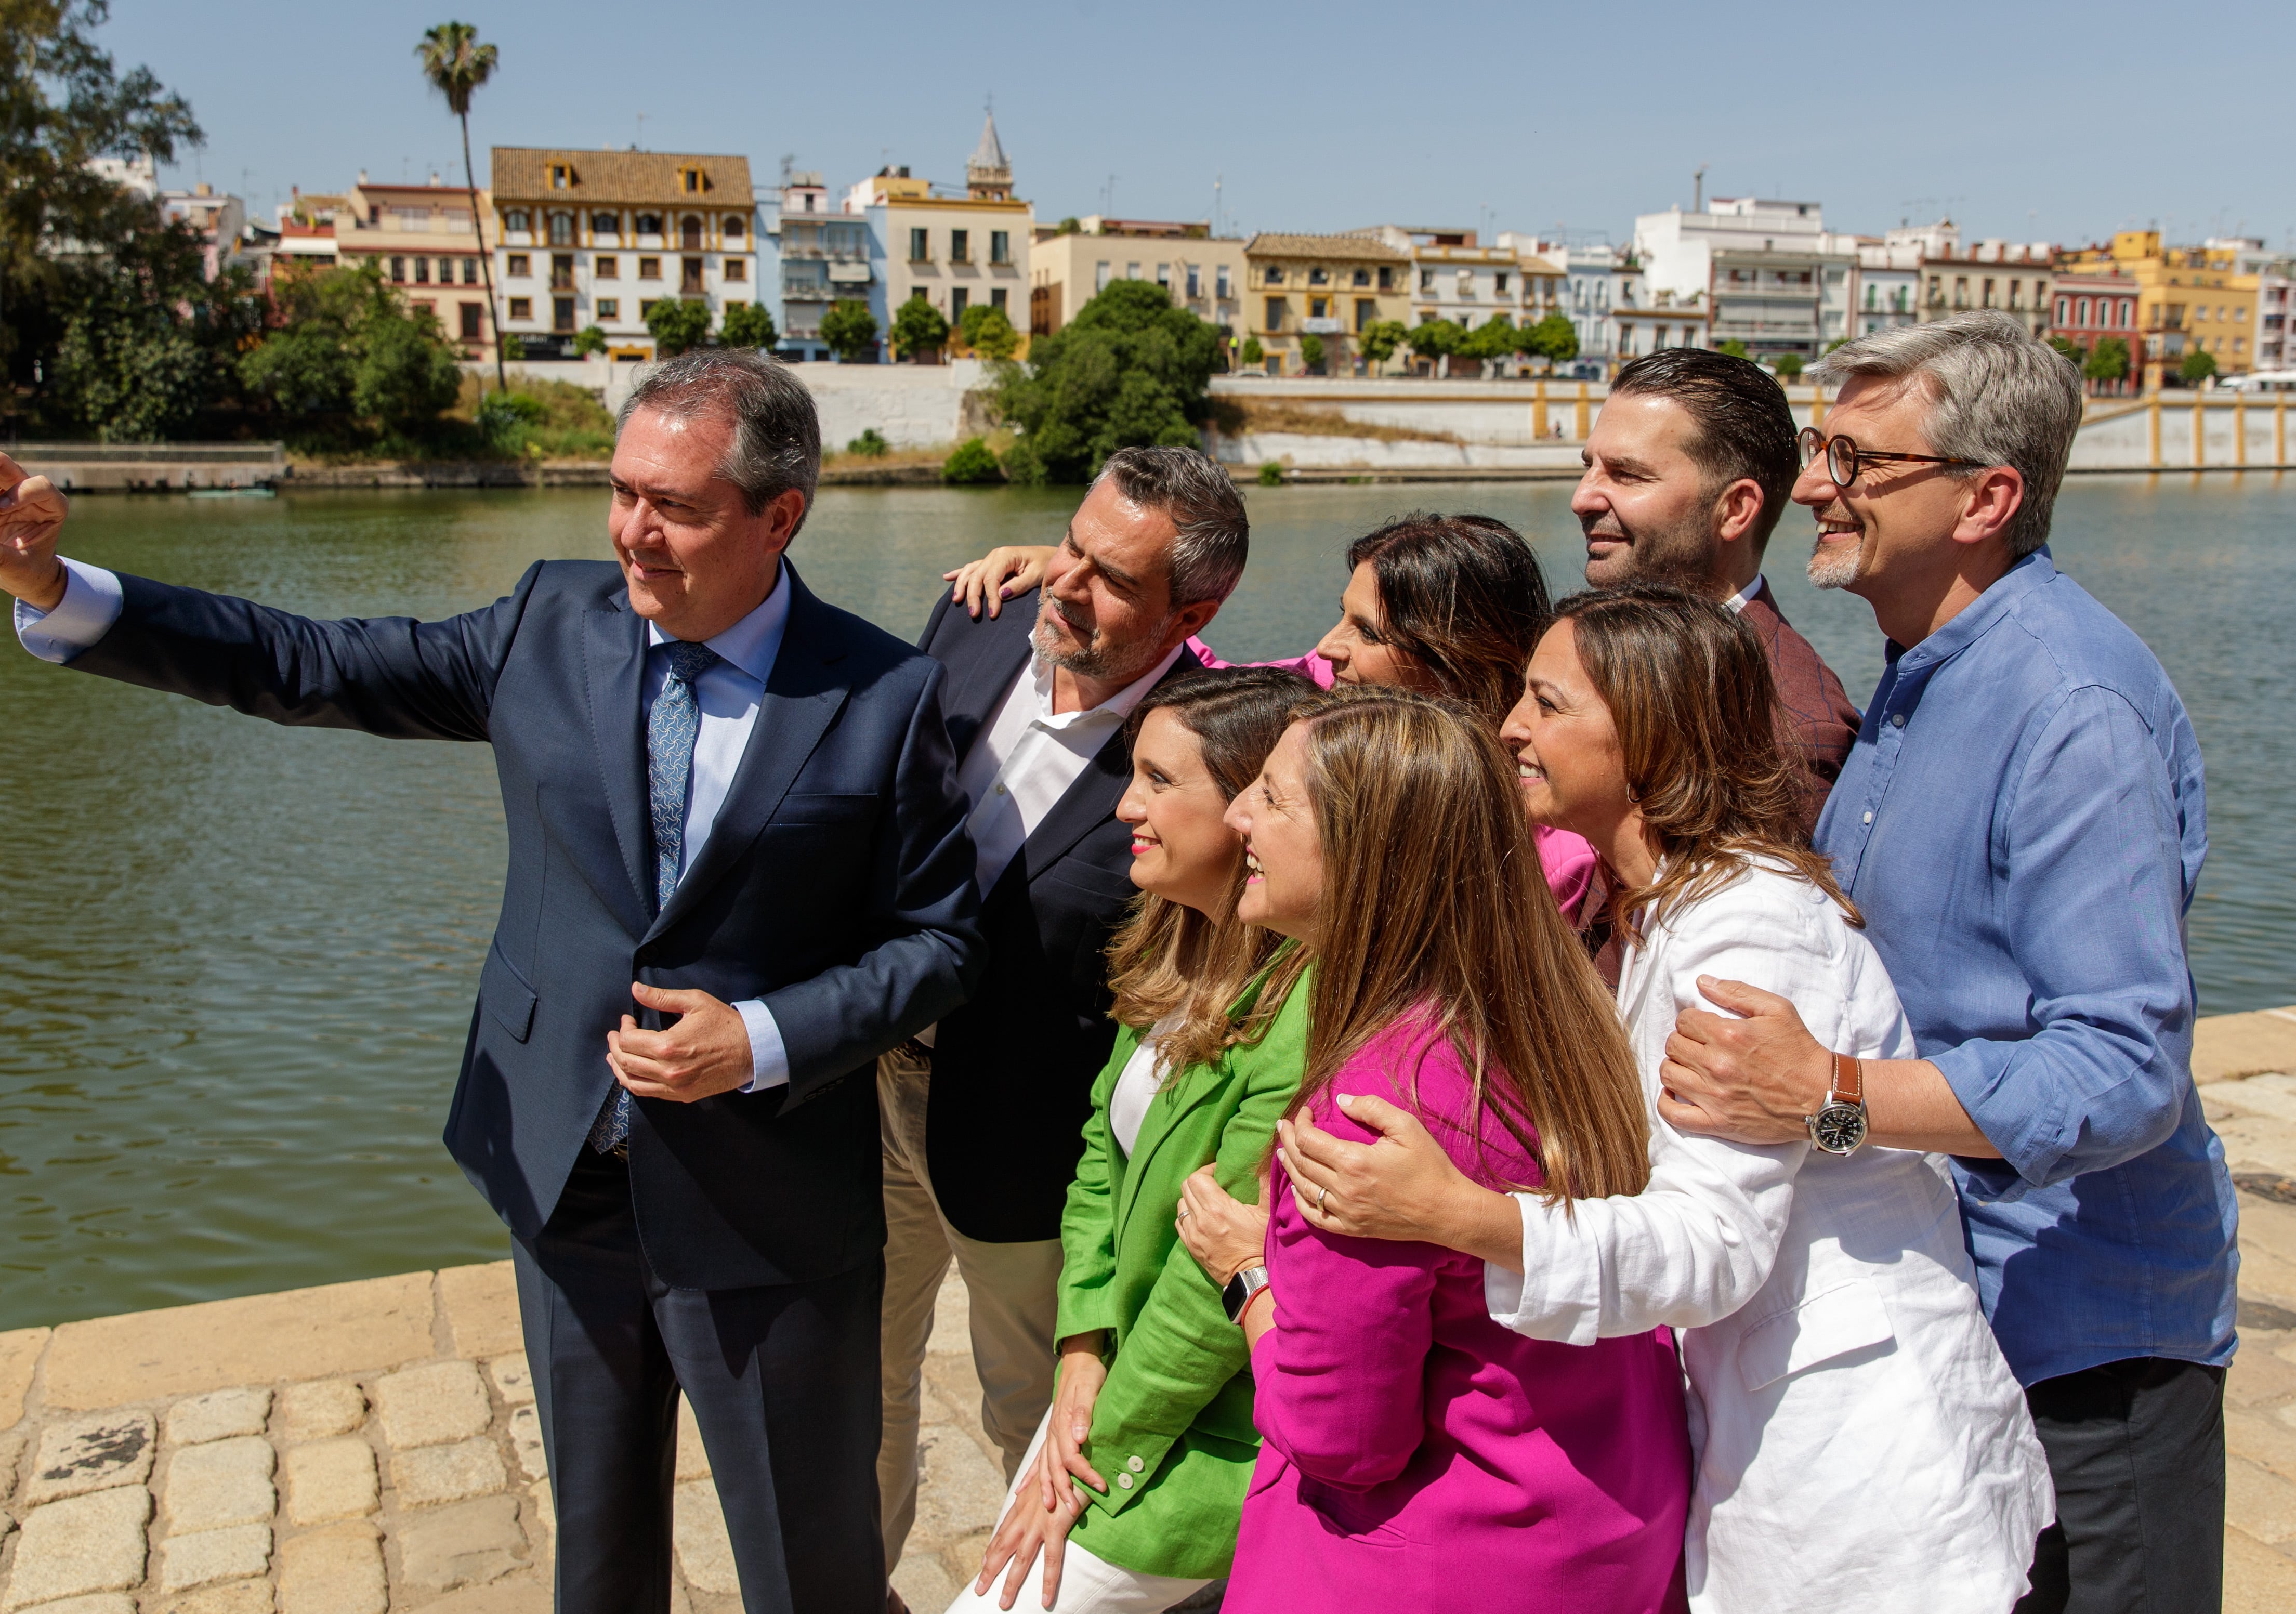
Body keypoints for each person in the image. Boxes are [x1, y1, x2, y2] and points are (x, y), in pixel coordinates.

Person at [0, 350, 985, 1613]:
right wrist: (58, 587)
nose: (633, 533)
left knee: (805, 1573)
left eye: (676, 507)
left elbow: (939, 941)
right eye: (621, 492)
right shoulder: (547, 624)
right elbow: (308, 660)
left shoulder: (883, 691)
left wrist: (761, 1036)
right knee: (596, 1563)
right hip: (565, 1186)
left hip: (770, 1210)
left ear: (780, 516)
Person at [1250, 588, 2051, 1610]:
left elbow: (1717, 1242)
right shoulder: (1633, 907)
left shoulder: (1747, 933)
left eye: (1546, 704)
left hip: (1849, 1449)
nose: (1510, 729)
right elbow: (1824, 1143)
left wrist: (1463, 1217)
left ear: (1646, 734)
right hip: (1747, 1416)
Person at [1655, 312, 2237, 1612]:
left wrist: (1829, 1092)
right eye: (1822, 449)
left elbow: (2124, 1064)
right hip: (1950, 1309)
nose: (1816, 485)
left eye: (1860, 461)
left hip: (2084, 1344)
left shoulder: (2066, 704)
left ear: (1985, 497)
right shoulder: (1926, 674)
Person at [1179, 686, 1690, 1614]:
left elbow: (1344, 1437)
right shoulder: (1555, 1019)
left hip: (1436, 1563)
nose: (1236, 815)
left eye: (1272, 797)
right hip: (1601, 1526)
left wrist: (1247, 1277)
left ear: (1365, 853)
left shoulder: (1374, 1111)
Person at [882, 448, 1249, 1581]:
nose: (1065, 584)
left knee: (1029, 1419)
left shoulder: (1214, 742)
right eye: (1068, 546)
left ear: (1192, 612)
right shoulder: (977, 618)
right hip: (868, 1092)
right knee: (859, 1376)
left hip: (1026, 1150)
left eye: (1108, 577)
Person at [955, 667, 1316, 1613]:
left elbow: (1211, 1292)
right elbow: (1096, 1168)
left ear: (1245, 806)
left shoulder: (1304, 1012)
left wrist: (1092, 1451)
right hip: (1109, 1383)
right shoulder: (1174, 941)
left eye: (1159, 781)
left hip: (1200, 1434)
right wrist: (1078, 1343)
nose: (1123, 808)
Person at [943, 512, 1598, 917]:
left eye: (1365, 632)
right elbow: (1215, 677)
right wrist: (1082, 579)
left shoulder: (1547, 842)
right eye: (1340, 613)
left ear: (1459, 662)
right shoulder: (1326, 692)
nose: (1327, 646)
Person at [1575, 347, 1861, 822]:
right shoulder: (1593, 653)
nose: (1582, 498)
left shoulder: (1789, 726)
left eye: (1626, 474)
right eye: (1588, 467)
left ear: (1734, 510)